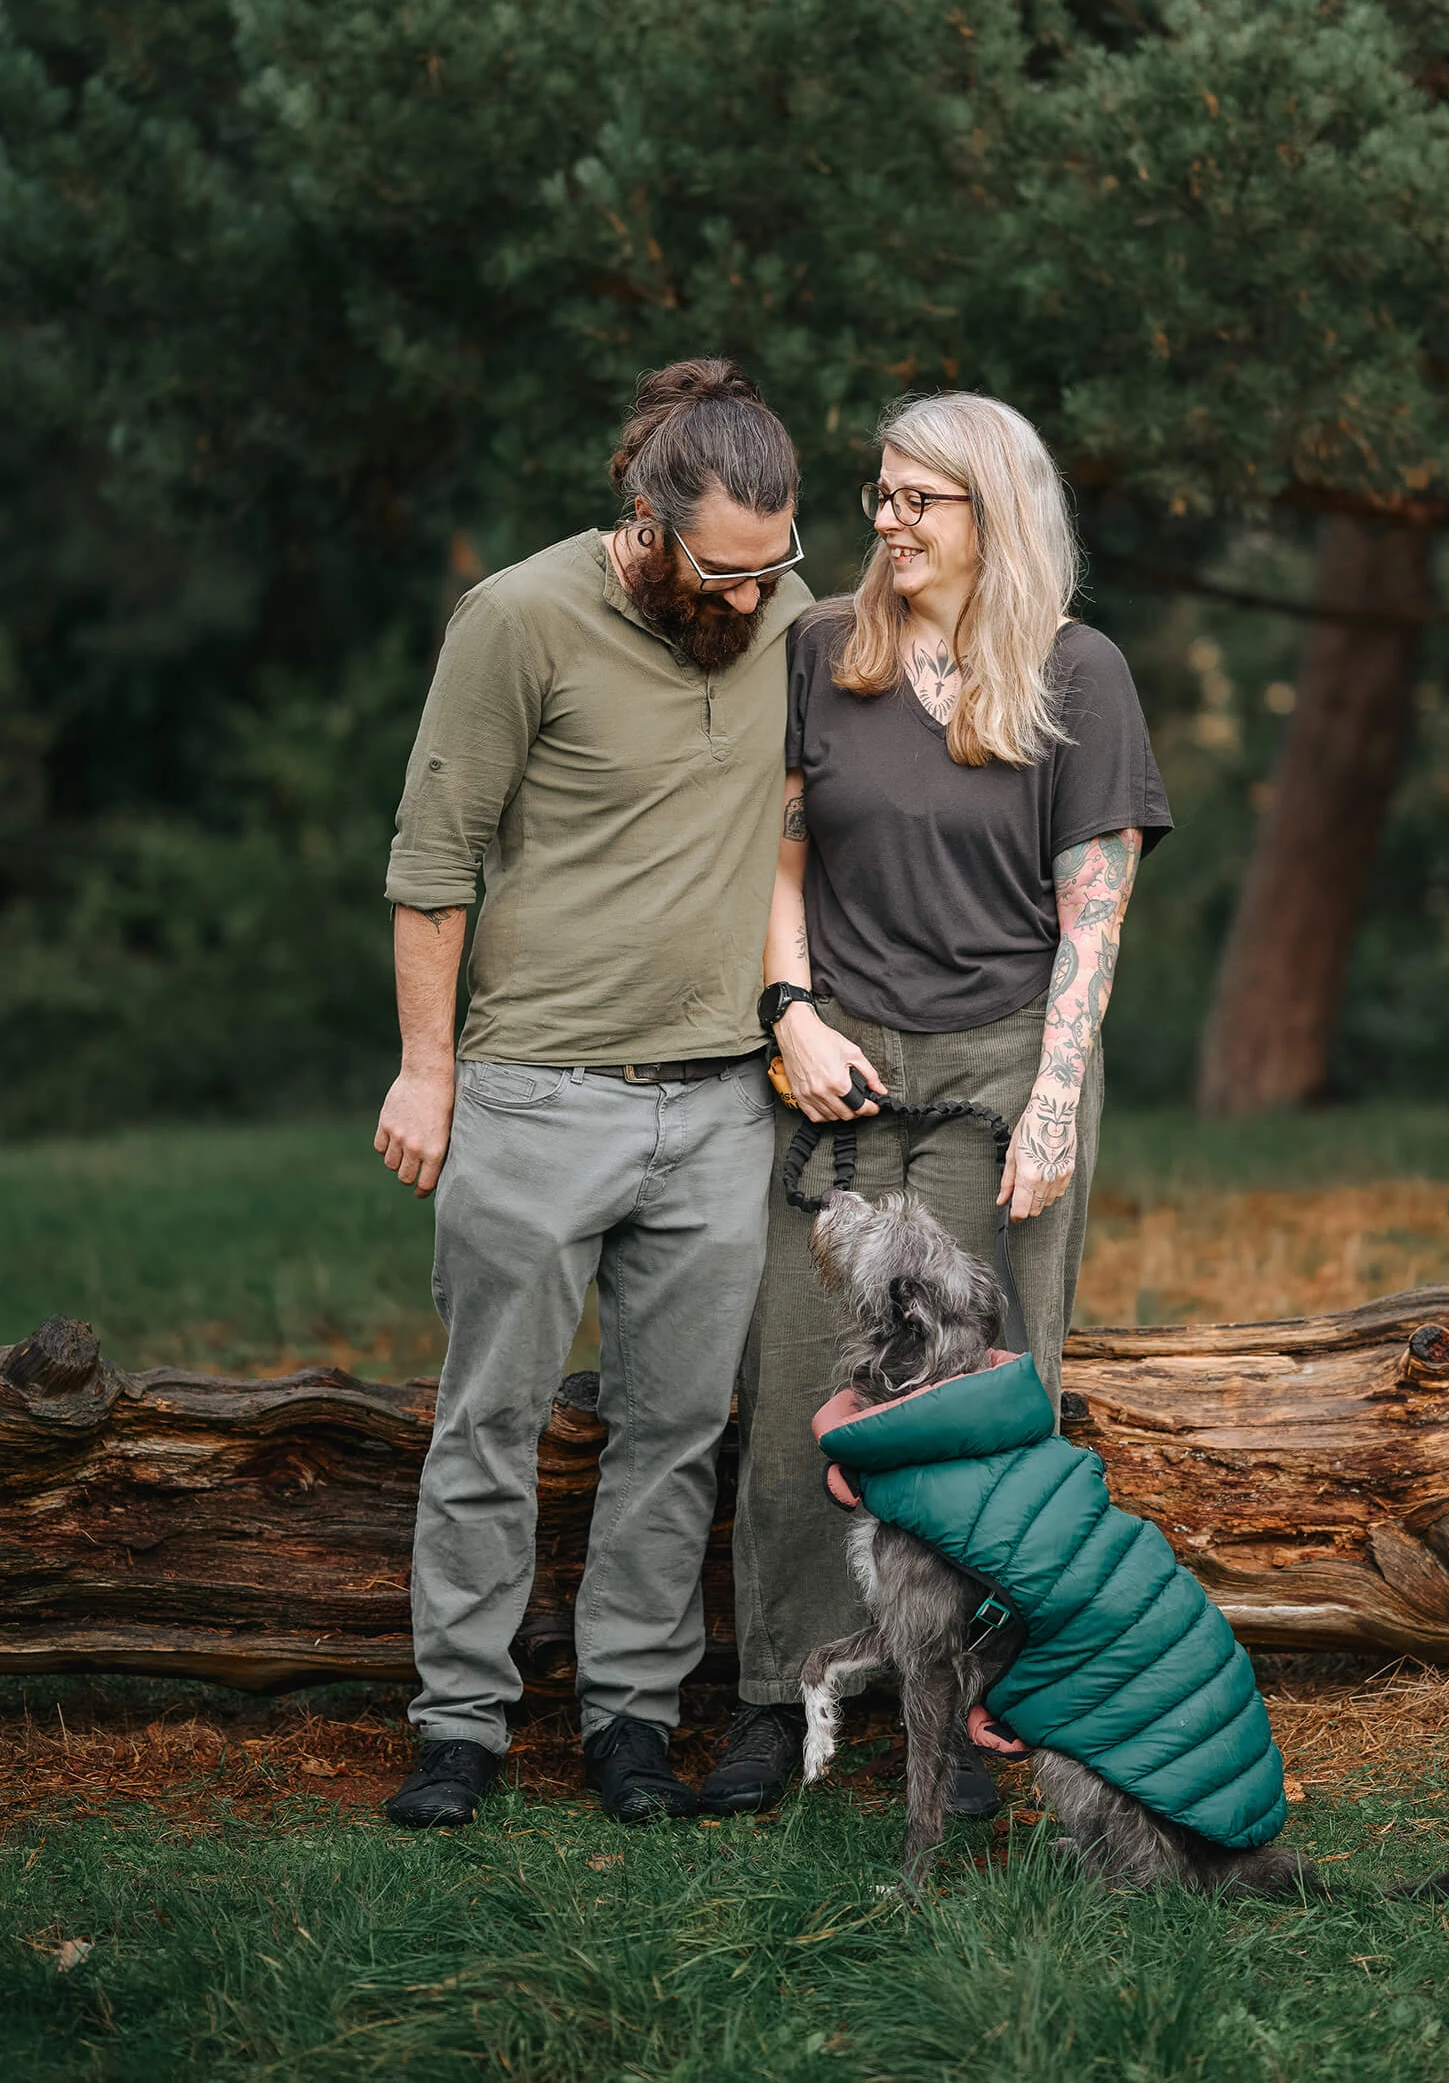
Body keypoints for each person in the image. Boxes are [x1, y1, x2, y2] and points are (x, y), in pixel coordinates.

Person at [698, 389, 1171, 1817]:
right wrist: (789, 1014)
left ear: (995, 510)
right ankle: (779, 1694)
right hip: (839, 1063)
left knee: (979, 1399)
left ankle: (962, 1710)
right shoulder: (822, 651)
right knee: (801, 1376)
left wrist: (1056, 1098)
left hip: (1002, 1061)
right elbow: (779, 858)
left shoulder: (1077, 671)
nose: (889, 522)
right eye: (883, 496)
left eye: (921, 499)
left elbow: (1094, 910)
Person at [374, 358, 811, 1830]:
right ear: (646, 520)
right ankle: (460, 1725)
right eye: (723, 570)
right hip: (532, 1095)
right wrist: (427, 1070)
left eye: (774, 566)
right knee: (488, 1425)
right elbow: (433, 863)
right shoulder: (516, 619)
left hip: (722, 1105)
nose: (751, 597)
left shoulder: (788, 614)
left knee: (673, 1433)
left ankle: (631, 1718)